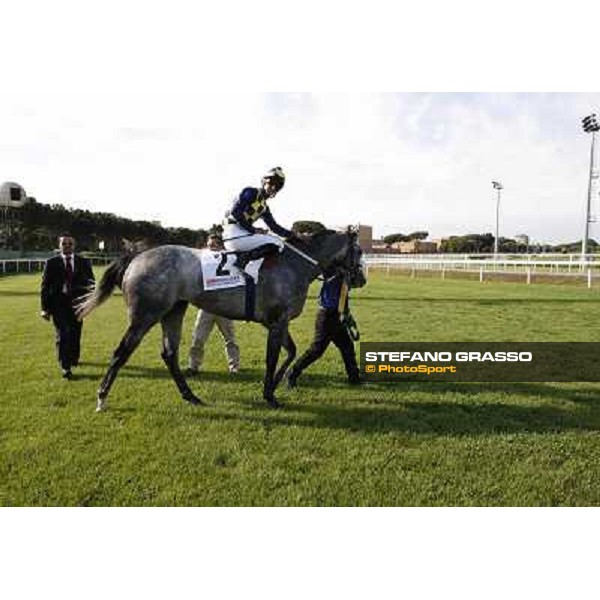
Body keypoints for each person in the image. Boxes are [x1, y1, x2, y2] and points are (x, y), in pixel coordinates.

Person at [287, 273, 361, 387]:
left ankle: (354, 378)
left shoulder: (344, 275)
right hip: (326, 317)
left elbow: (359, 283)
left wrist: (346, 314)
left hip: (336, 316)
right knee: (316, 350)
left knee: (347, 347)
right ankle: (293, 372)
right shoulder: (333, 274)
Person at [40, 234, 95, 379]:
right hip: (58, 304)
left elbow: (91, 284)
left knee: (76, 333)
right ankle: (65, 367)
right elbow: (45, 287)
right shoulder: (51, 263)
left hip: (78, 305)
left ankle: (73, 358)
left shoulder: (84, 262)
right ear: (59, 245)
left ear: (74, 245)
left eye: (70, 244)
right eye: (64, 243)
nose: (67, 246)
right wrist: (44, 309)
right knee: (63, 333)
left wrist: (88, 303)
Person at [188, 234, 240, 374]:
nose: (212, 248)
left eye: (215, 245)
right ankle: (193, 367)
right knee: (198, 338)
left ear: (221, 246)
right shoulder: (202, 261)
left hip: (224, 307)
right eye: (210, 245)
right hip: (207, 307)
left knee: (230, 339)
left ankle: (234, 367)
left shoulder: (229, 259)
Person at [223, 166, 293, 268]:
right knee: (277, 244)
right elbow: (235, 212)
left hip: (240, 235)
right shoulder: (251, 192)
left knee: (275, 240)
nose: (273, 187)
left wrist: (294, 235)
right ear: (264, 182)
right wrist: (253, 230)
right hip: (233, 233)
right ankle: (242, 260)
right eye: (271, 183)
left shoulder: (264, 207)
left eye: (277, 186)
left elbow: (274, 227)